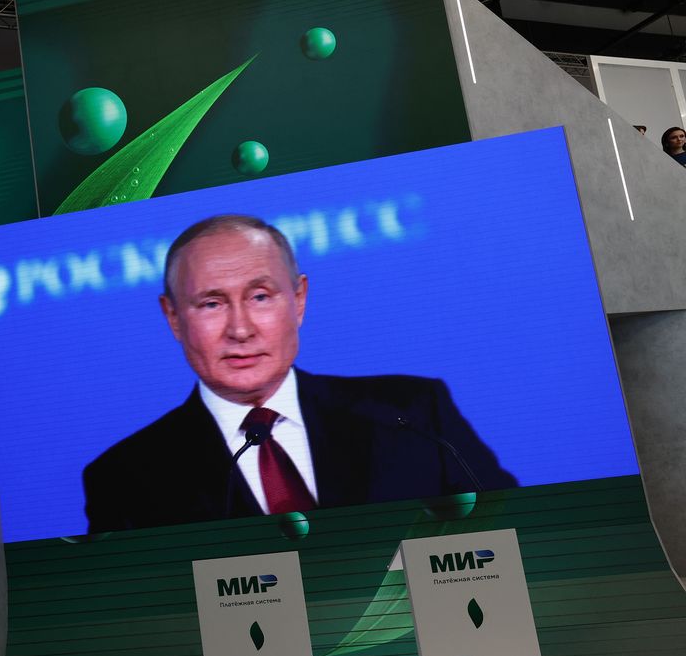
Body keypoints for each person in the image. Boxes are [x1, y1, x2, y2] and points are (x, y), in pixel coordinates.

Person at [82, 214, 517, 533]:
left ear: (300, 298)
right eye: (211, 304)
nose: (240, 329)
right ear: (173, 317)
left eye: (259, 297)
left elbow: (514, 529)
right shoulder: (124, 479)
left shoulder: (413, 414)